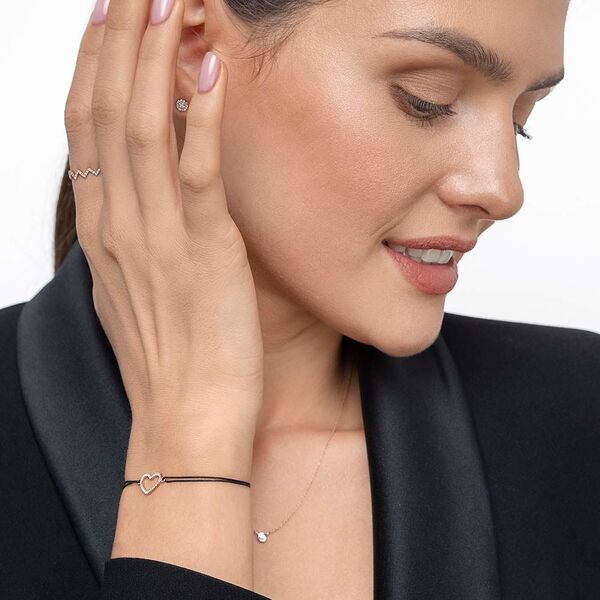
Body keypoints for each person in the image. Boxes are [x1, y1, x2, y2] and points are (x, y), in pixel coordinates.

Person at [1, 0, 598, 598]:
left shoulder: (577, 421)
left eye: (521, 119)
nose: (502, 189)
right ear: (192, 49)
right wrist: (190, 438)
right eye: (427, 99)